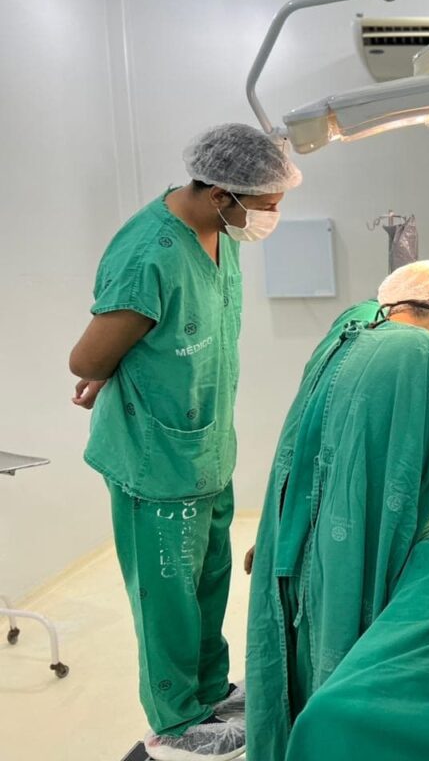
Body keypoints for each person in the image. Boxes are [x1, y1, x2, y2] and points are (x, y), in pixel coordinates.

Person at [68, 123, 302, 761]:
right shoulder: (150, 251)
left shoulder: (220, 234)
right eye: (267, 204)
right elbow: (85, 358)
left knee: (208, 582)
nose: (272, 216)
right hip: (155, 459)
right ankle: (175, 718)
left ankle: (208, 690)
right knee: (167, 595)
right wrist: (105, 368)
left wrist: (120, 360)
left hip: (204, 449)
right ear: (222, 192)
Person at [245, 261, 429, 761]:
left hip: (291, 525)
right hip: (351, 533)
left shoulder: (347, 335)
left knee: (293, 647)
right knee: (343, 655)